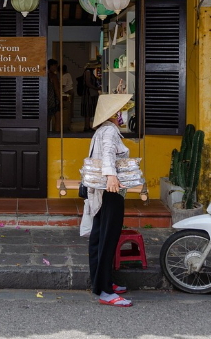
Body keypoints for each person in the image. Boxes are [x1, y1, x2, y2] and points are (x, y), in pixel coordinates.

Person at [82, 93, 134, 307]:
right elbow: (108, 155)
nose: (123, 113)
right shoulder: (110, 131)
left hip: (101, 189)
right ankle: (105, 290)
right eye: (121, 110)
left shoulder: (103, 130)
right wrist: (111, 176)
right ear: (114, 113)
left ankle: (101, 282)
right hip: (110, 189)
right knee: (107, 238)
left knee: (99, 236)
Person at [82, 61, 102, 131]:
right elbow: (88, 83)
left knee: (89, 110)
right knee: (88, 110)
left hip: (89, 93)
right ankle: (87, 127)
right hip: (88, 93)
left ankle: (87, 126)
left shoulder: (89, 72)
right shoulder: (88, 72)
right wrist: (96, 88)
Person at [47, 59, 61, 131]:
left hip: (46, 100)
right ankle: (57, 135)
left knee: (47, 119)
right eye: (55, 66)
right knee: (58, 118)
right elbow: (56, 89)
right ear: (51, 66)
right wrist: (60, 100)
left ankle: (47, 134)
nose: (56, 67)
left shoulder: (45, 75)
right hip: (54, 100)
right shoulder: (54, 76)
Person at [60, 65, 73, 130]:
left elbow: (62, 86)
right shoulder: (68, 74)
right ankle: (69, 122)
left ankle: (67, 123)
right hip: (70, 91)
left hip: (67, 92)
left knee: (67, 109)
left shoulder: (64, 76)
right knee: (70, 109)